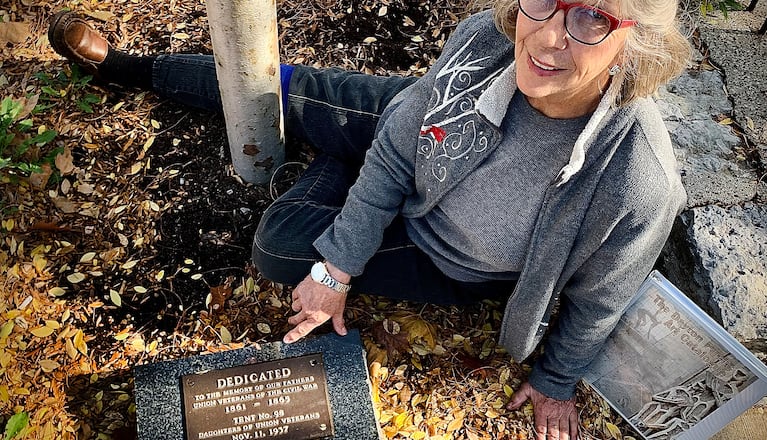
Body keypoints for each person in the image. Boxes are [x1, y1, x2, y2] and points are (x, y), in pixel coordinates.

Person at [48, 0, 690, 438]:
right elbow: (397, 147)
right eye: (542, 1)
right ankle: (128, 68)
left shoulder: (637, 179)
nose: (549, 37)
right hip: (417, 128)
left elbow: (601, 296)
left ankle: (334, 147)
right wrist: (338, 265)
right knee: (286, 93)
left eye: (589, 19)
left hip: (436, 251)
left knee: (276, 246)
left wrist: (554, 381)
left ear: (637, 43)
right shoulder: (485, 43)